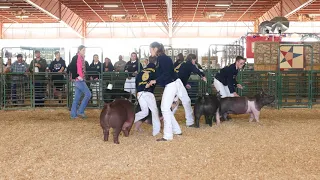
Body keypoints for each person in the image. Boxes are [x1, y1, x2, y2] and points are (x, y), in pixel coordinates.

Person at [148, 42, 187, 141]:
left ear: (155, 48)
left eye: (150, 49)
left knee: (164, 108)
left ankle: (168, 136)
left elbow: (167, 73)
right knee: (166, 108)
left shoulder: (162, 59)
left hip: (171, 84)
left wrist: (155, 81)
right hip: (171, 83)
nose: (150, 51)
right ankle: (176, 130)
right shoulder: (162, 58)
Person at [171, 54, 207, 121]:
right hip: (178, 84)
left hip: (172, 83)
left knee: (175, 101)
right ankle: (190, 121)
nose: (194, 62)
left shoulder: (182, 63)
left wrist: (185, 84)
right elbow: (196, 70)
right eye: (194, 60)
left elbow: (180, 74)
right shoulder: (189, 64)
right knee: (186, 101)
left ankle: (168, 117)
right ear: (192, 59)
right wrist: (203, 76)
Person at [134, 58, 160, 136]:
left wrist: (138, 91)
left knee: (145, 112)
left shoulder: (141, 71)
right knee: (154, 112)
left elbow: (136, 82)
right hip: (148, 92)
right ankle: (156, 131)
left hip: (140, 93)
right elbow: (157, 80)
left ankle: (130, 119)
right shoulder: (155, 71)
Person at [68, 45, 92, 119]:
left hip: (80, 79)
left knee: (77, 98)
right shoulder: (76, 57)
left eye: (84, 50)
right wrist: (77, 76)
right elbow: (70, 67)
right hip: (79, 80)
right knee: (88, 94)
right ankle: (80, 111)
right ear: (79, 50)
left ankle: (73, 114)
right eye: (83, 50)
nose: (84, 51)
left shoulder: (81, 58)